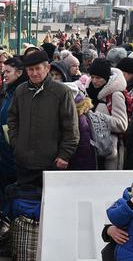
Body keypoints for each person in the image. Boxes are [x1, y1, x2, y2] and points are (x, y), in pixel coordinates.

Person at [7, 50, 79, 187]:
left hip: (52, 163)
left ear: (47, 68)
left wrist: (64, 155)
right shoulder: (20, 91)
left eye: (38, 68)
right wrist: (17, 145)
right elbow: (12, 119)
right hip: (24, 163)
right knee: (25, 198)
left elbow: (71, 127)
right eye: (30, 69)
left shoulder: (61, 92)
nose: (34, 73)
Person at [87, 59, 128, 170]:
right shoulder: (88, 92)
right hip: (92, 148)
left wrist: (96, 118)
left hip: (109, 152)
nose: (94, 81)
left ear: (106, 78)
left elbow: (122, 124)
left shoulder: (115, 95)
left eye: (98, 78)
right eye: (92, 77)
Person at [0, 57, 28, 191]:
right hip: (5, 147)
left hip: (15, 148)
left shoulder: (22, 92)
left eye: (8, 72)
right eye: (4, 72)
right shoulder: (9, 91)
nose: (5, 75)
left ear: (19, 73)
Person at [65, 77, 97, 170]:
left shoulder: (77, 116)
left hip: (79, 166)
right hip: (79, 162)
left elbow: (83, 146)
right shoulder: (77, 113)